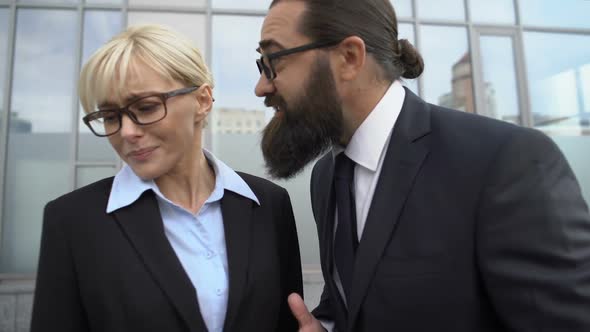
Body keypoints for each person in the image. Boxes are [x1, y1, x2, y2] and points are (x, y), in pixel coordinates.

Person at [254, 0, 590, 331]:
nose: (261, 87)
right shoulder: (326, 176)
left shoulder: (504, 161)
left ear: (349, 58)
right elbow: (354, 296)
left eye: (273, 61)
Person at [30, 24, 302, 332]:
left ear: (202, 100)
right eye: (109, 117)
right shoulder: (72, 221)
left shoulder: (268, 204)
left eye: (145, 108)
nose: (127, 132)